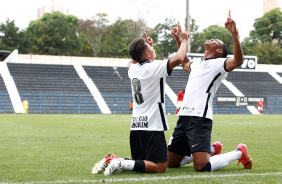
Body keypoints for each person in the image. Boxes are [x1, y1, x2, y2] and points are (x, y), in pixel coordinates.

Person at [92, 23, 190, 175]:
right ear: (147, 55)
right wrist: (184, 40)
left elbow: (131, 61)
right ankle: (120, 162)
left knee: (141, 161)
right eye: (150, 48)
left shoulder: (133, 69)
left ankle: (113, 160)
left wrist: (145, 48)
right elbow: (178, 58)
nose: (153, 48)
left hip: (136, 126)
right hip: (152, 125)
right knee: (160, 166)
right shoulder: (153, 68)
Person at [167, 11, 253, 172]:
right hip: (184, 117)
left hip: (200, 118)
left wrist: (234, 33)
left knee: (202, 166)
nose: (211, 39)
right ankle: (213, 149)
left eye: (216, 40)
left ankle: (238, 152)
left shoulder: (220, 63)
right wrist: (178, 39)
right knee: (170, 163)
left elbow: (239, 60)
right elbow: (185, 63)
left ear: (220, 50)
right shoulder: (198, 64)